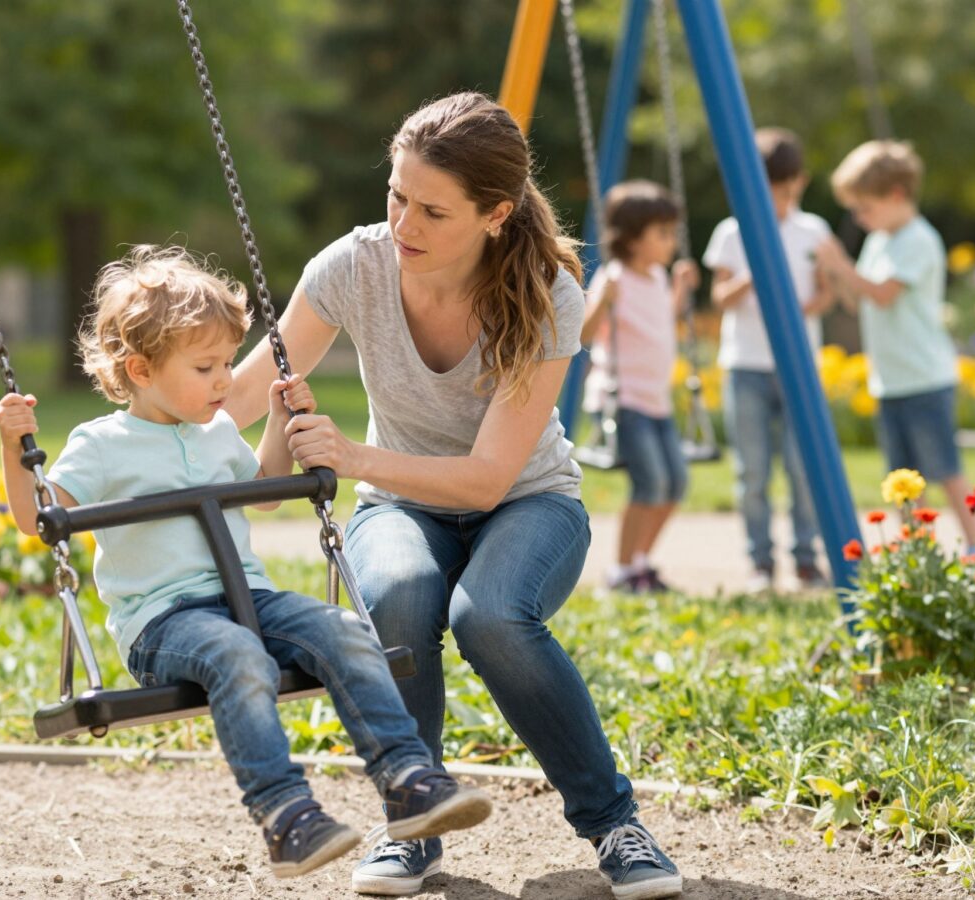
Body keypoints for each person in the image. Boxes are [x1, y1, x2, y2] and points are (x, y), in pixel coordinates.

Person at [227, 93, 683, 900]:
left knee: (491, 616)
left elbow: (488, 478)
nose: (404, 224)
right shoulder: (352, 267)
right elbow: (232, 401)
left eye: (432, 211)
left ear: (496, 213)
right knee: (399, 596)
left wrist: (356, 453)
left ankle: (614, 821)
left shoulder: (549, 295)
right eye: (397, 196)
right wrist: (129, 428)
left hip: (528, 502)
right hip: (400, 508)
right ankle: (415, 820)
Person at [0, 246, 491, 880]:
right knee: (237, 655)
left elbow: (266, 482)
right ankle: (287, 818)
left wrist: (282, 420)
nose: (226, 380)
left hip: (250, 600)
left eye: (229, 361)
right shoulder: (101, 445)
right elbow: (39, 518)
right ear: (141, 368)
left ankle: (407, 781)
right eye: (206, 367)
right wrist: (17, 449)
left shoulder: (216, 431)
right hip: (165, 623)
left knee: (343, 630)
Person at [816, 140, 975, 543]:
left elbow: (884, 293)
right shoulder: (880, 239)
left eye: (864, 207)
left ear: (896, 195)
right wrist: (834, 275)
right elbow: (858, 301)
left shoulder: (918, 239)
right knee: (901, 478)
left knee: (944, 469)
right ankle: (916, 551)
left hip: (924, 376)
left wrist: (842, 267)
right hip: (891, 379)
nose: (859, 217)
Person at [702, 128, 835, 593]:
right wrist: (755, 273)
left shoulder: (813, 230)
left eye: (783, 189)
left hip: (798, 365)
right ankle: (761, 563)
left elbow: (825, 294)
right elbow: (720, 295)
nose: (776, 199)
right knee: (752, 471)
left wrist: (798, 309)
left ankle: (806, 561)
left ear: (799, 183)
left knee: (803, 468)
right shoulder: (733, 232)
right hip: (746, 365)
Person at [580, 180, 699, 595]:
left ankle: (642, 562)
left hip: (658, 402)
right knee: (649, 485)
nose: (672, 242)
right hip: (624, 401)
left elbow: (661, 322)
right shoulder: (614, 279)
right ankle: (621, 570)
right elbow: (584, 334)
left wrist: (681, 290)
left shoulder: (658, 278)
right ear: (632, 239)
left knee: (676, 485)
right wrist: (601, 301)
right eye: (663, 233)